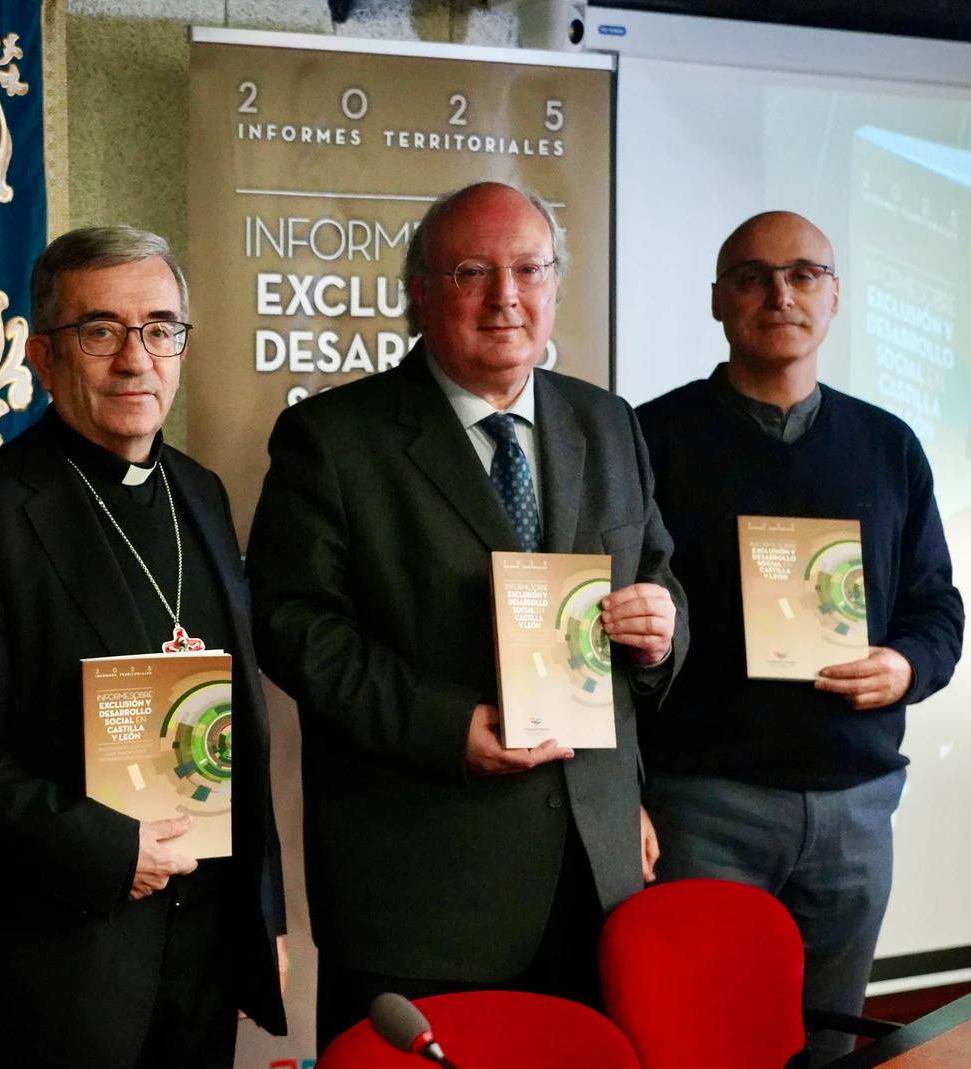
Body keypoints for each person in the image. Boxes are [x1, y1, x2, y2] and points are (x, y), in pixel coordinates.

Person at [245, 181, 686, 1047]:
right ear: (419, 289)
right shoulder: (333, 438)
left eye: (529, 269)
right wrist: (447, 727)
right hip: (421, 893)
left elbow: (660, 578)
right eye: (472, 272)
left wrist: (661, 635)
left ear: (555, 282)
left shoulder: (608, 422)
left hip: (592, 876)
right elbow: (293, 626)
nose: (505, 296)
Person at [0, 227, 288, 1069]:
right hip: (62, 965)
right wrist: (105, 849)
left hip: (205, 954)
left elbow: (242, 725)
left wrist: (262, 914)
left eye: (160, 329)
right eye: (101, 331)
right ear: (43, 357)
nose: (136, 359)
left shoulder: (201, 492)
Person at [636, 211, 963, 1065]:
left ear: (835, 296)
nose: (780, 294)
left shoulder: (889, 445)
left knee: (828, 1047)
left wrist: (906, 665)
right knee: (699, 1045)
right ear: (718, 299)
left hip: (856, 807)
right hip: (702, 807)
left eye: (804, 274)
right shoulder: (649, 439)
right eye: (752, 276)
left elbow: (938, 608)